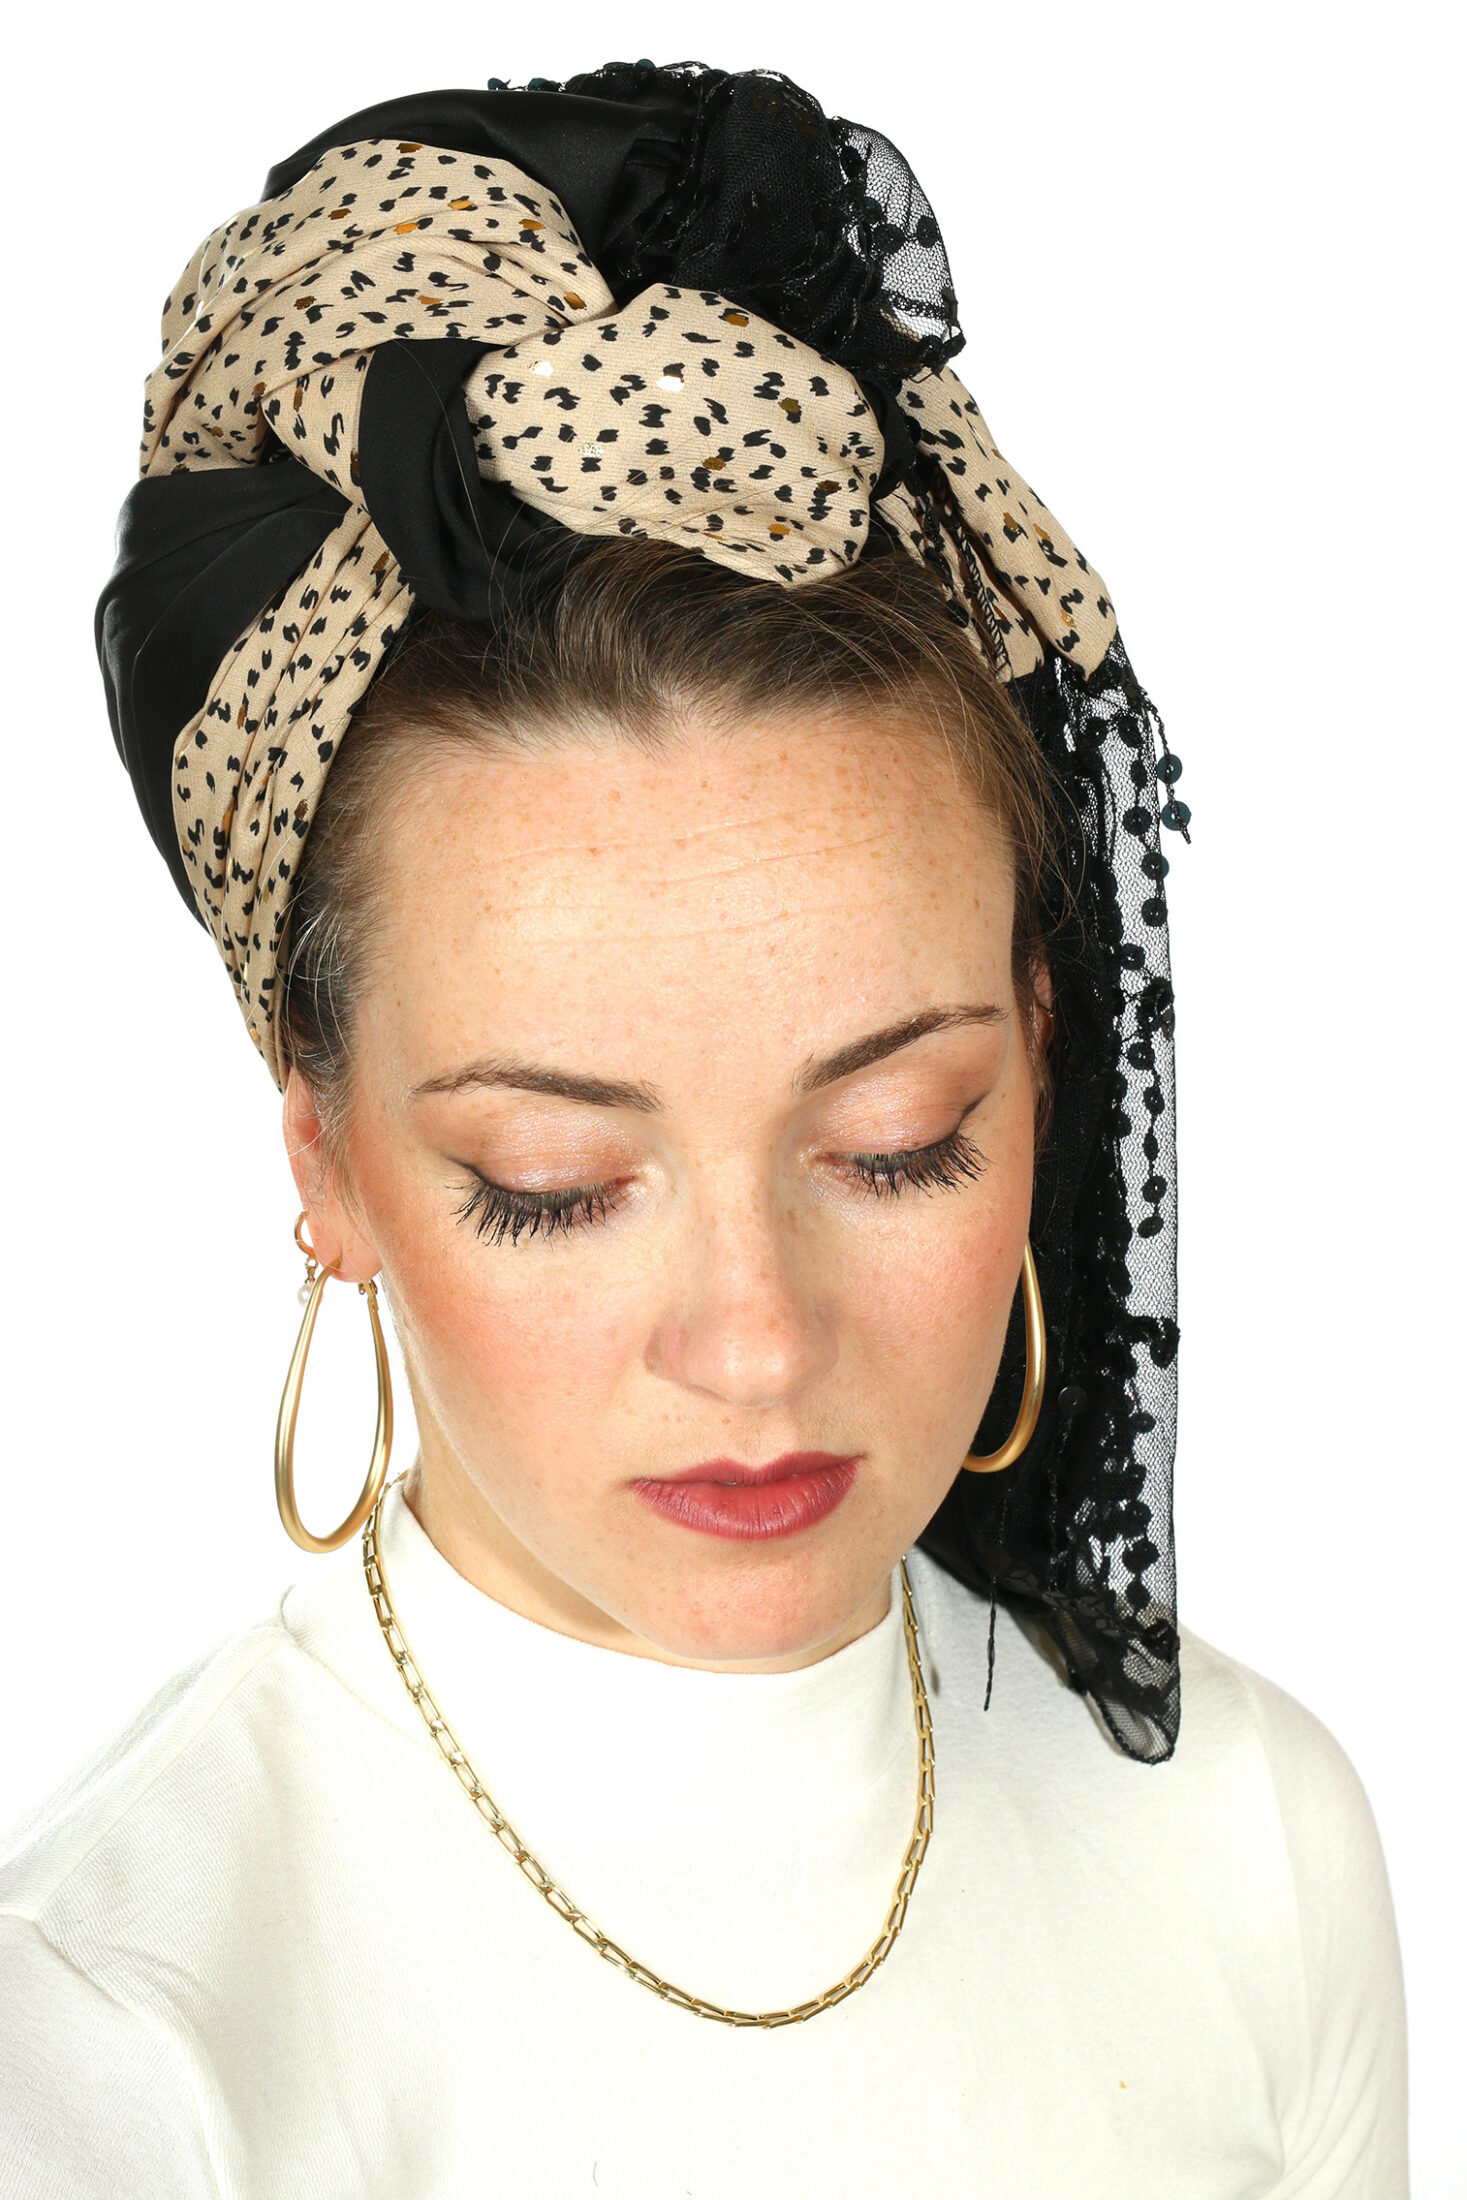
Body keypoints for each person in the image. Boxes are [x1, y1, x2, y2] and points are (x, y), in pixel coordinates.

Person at [0, 60, 1408, 2197]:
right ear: (325, 1154)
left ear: (1042, 1061)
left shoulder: (1250, 1844)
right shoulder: (116, 2048)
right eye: (553, 1186)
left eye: (899, 1140)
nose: (755, 1341)